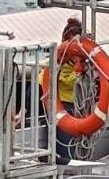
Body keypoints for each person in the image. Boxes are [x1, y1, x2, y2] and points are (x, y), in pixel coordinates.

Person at [13, 17, 85, 160]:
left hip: (76, 107)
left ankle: (66, 166)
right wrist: (22, 114)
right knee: (60, 148)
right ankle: (55, 165)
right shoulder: (55, 62)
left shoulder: (87, 64)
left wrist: (79, 68)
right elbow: (38, 86)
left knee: (67, 149)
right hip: (58, 108)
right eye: (67, 43)